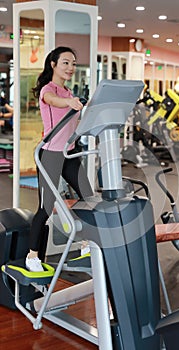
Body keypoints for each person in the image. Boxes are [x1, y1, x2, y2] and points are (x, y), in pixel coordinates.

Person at [25, 46, 93, 272]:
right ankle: (32, 256)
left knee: (88, 197)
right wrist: (69, 103)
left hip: (69, 153)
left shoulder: (70, 92)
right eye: (65, 62)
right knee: (46, 206)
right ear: (53, 64)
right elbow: (52, 100)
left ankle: (85, 244)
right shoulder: (49, 90)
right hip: (51, 154)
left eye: (73, 63)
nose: (71, 67)